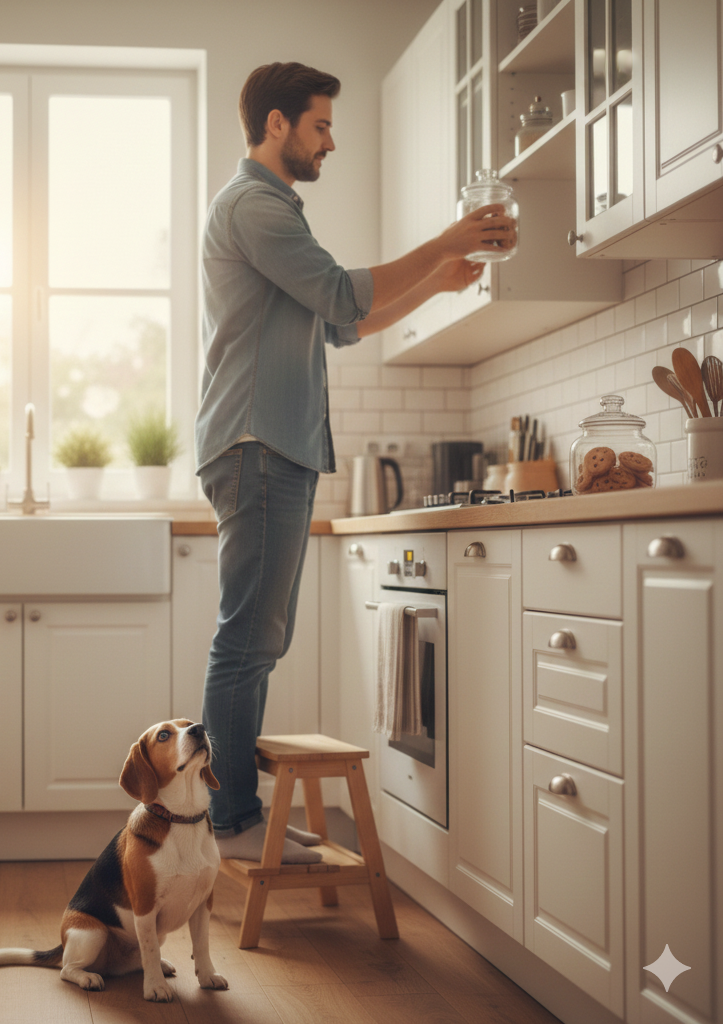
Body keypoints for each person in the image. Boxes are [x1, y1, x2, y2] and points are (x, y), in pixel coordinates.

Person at [196, 62, 516, 864]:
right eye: (321, 125)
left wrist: (438, 285)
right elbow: (342, 294)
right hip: (258, 444)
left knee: (257, 642)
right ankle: (233, 822)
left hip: (274, 448)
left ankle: (240, 811)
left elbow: (341, 326)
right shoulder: (254, 206)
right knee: (246, 643)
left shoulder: (273, 211)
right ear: (277, 125)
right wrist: (444, 242)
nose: (330, 141)